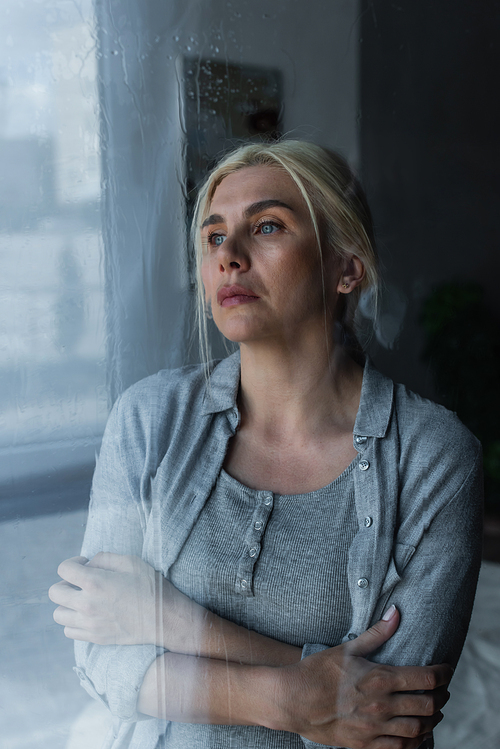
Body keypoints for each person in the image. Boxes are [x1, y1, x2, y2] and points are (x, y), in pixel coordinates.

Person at [49, 140, 483, 749]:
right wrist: (295, 697)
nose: (229, 256)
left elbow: (389, 716)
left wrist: (172, 621)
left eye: (268, 226)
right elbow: (101, 660)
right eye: (214, 236)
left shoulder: (436, 456)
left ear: (346, 266)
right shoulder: (148, 420)